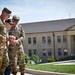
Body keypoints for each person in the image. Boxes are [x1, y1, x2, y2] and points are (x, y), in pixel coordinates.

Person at [0, 7, 12, 75]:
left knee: (5, 64)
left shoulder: (3, 22)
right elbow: (2, 36)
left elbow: (4, 35)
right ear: (4, 13)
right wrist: (1, 38)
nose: (9, 17)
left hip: (3, 49)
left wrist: (9, 37)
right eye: (9, 15)